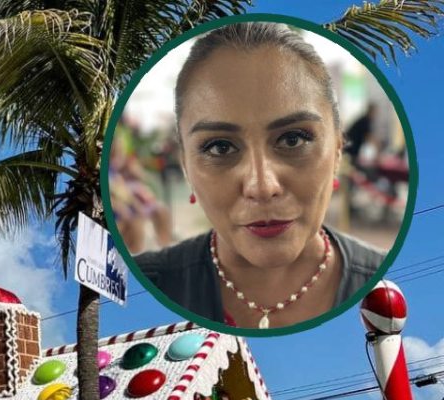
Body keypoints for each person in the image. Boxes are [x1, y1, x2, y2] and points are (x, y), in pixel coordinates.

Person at [133, 22, 386, 329]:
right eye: (220, 147)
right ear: (186, 167)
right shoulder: (148, 281)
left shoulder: (378, 286)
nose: (262, 187)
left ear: (337, 150)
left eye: (293, 139)